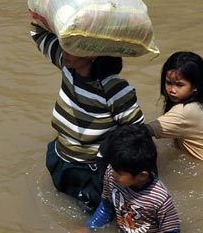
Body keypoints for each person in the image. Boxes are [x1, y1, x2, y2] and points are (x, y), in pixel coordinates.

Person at [30, 23, 145, 213]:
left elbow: (137, 133)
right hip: (60, 158)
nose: (65, 50)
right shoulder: (68, 65)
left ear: (92, 53)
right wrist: (39, 15)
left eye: (73, 47)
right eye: (65, 43)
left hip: (90, 172)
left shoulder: (114, 89)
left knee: (93, 217)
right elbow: (39, 34)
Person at [73, 124, 181, 233]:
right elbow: (107, 205)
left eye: (119, 173)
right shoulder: (112, 172)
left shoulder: (159, 198)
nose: (113, 173)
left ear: (142, 175)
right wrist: (89, 227)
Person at [145, 51, 203, 164]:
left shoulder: (183, 113)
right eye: (169, 82)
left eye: (179, 85)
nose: (172, 90)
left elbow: (145, 130)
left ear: (195, 86)